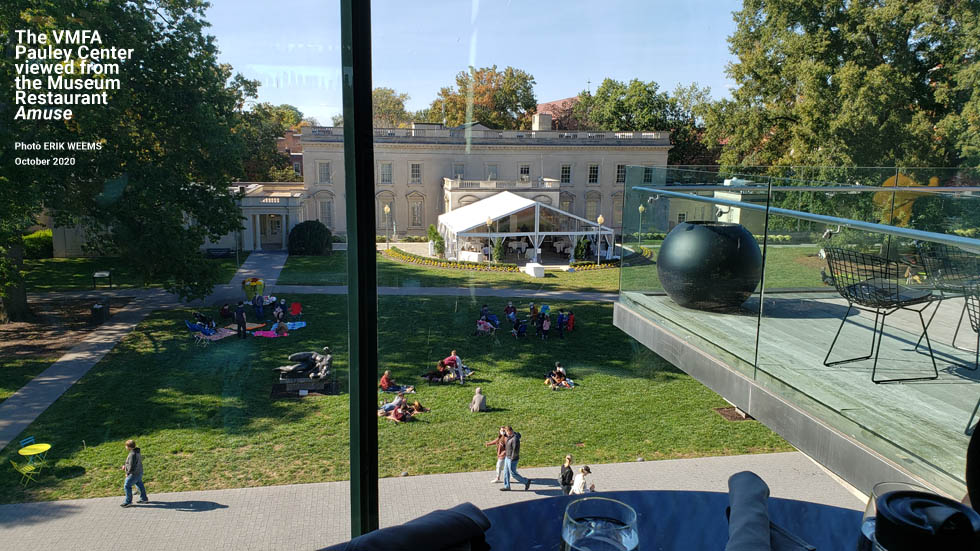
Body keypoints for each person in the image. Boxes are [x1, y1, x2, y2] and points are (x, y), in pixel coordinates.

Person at [500, 426, 531, 492]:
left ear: (509, 431)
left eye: (506, 432)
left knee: (513, 473)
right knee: (506, 472)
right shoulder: (510, 436)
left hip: (512, 459)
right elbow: (506, 439)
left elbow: (515, 450)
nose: (505, 433)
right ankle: (507, 486)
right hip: (507, 457)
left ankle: (526, 481)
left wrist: (512, 458)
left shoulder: (515, 439)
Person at [120, 439, 148, 507]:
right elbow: (134, 463)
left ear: (129, 447)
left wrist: (127, 473)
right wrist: (125, 466)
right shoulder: (137, 452)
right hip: (139, 472)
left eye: (126, 446)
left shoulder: (132, 454)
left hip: (133, 474)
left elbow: (131, 466)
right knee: (139, 484)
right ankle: (144, 499)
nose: (125, 447)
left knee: (127, 486)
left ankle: (128, 501)